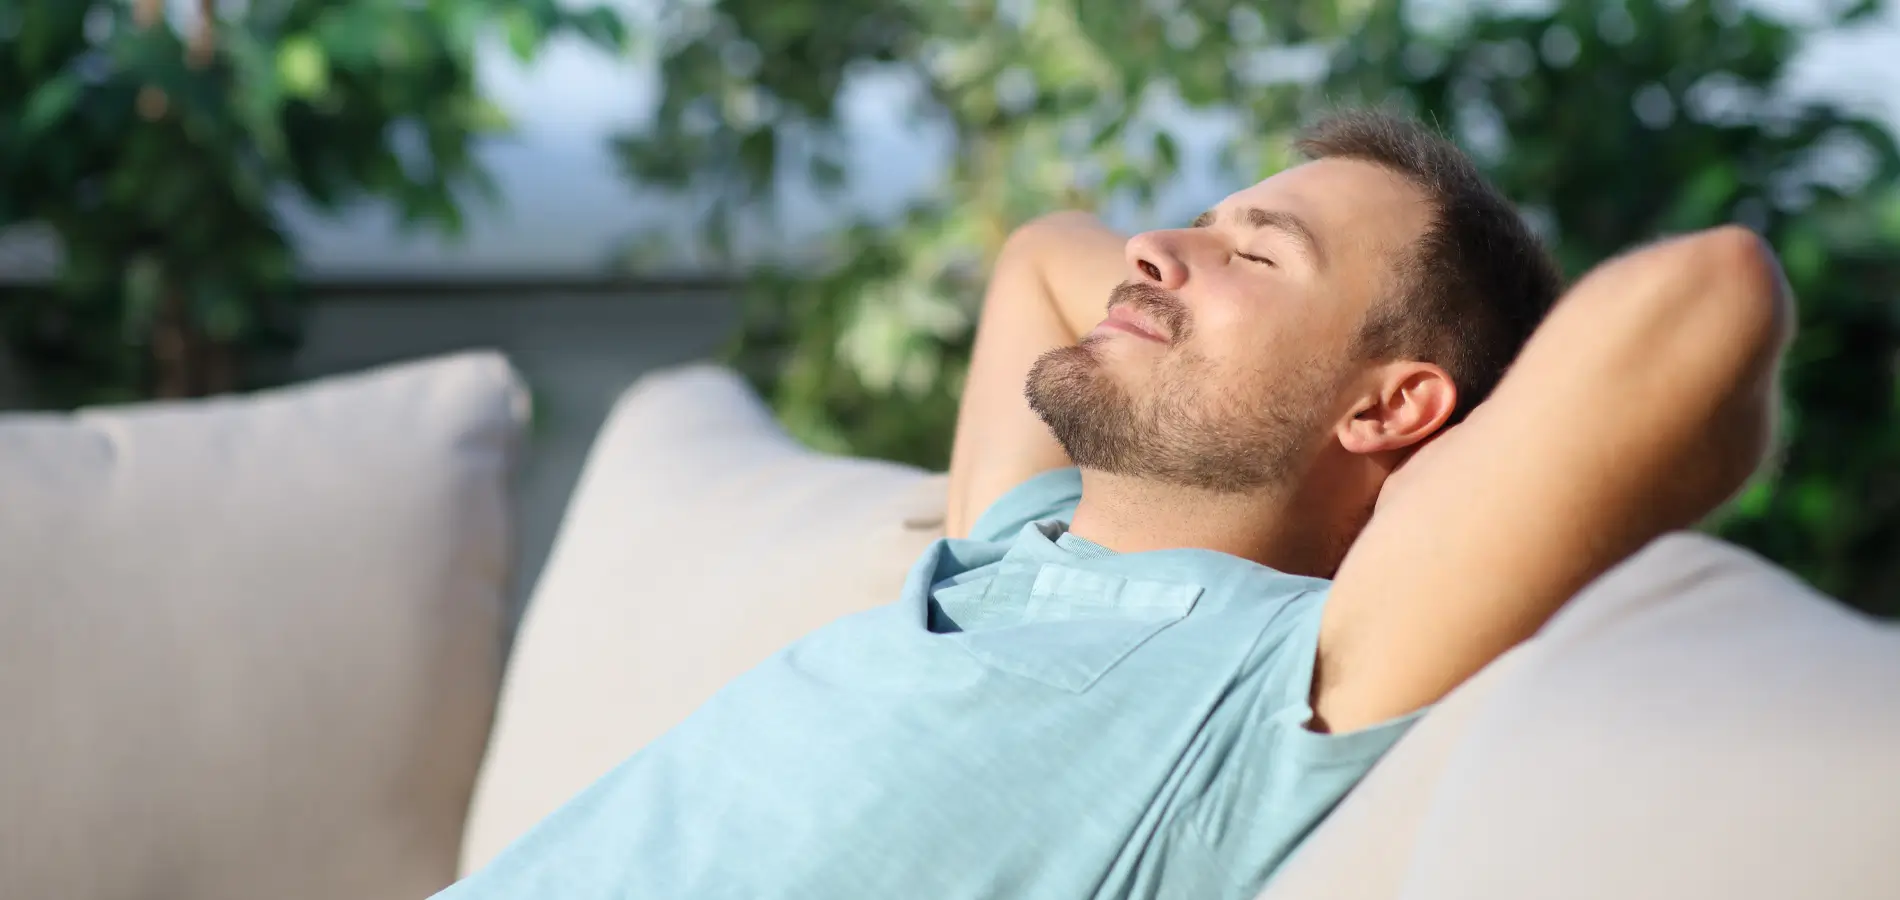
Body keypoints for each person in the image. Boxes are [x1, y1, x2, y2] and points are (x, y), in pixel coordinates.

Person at [441, 110, 1791, 899]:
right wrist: (1213, 289)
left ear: (1391, 409)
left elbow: (1708, 302)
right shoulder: (1008, 544)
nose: (1150, 248)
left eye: (1260, 251)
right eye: (1200, 222)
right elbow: (1040, 257)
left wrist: (1414, 452)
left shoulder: (1279, 676)